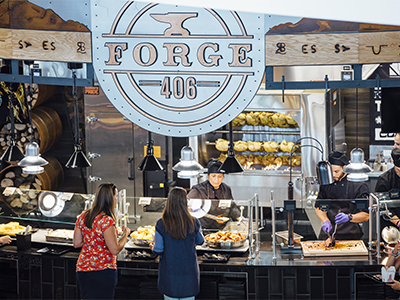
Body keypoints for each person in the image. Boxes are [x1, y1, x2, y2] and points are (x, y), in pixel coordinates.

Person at [73, 183, 130, 300]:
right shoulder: (106, 220)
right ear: (110, 198)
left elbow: (77, 243)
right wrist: (125, 235)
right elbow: (114, 249)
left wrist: (93, 239)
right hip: (103, 271)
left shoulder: (83, 216)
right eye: (116, 195)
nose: (117, 199)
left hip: (83, 269)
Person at [152, 187, 204, 300]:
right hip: (189, 275)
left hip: (169, 275)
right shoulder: (194, 222)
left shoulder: (161, 223)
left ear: (169, 202)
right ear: (185, 202)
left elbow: (158, 250)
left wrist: (153, 244)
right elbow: (200, 241)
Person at [315, 151, 370, 243]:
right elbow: (319, 207)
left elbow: (366, 216)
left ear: (345, 168)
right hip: (328, 234)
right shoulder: (326, 182)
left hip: (351, 235)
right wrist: (325, 221)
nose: (333, 175)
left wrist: (349, 217)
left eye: (336, 171)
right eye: (330, 171)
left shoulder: (358, 185)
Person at [187, 158, 241, 230]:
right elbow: (186, 206)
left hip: (222, 229)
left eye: (220, 176)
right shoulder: (198, 190)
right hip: (202, 229)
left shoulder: (226, 189)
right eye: (213, 176)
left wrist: (240, 218)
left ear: (223, 177)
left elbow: (232, 207)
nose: (216, 180)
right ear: (208, 176)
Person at [375, 147, 400, 230]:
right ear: (393, 163)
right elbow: (381, 206)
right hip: (389, 227)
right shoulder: (384, 180)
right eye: (398, 170)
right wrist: (398, 222)